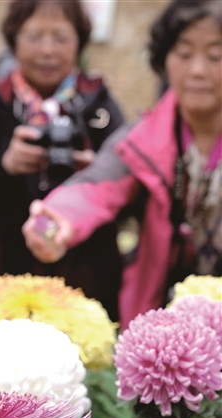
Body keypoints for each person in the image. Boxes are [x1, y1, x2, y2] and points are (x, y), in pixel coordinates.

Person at [23, 0, 222, 330]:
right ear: (164, 59)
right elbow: (97, 185)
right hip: (161, 320)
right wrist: (54, 219)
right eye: (184, 54)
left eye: (215, 56)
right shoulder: (145, 138)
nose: (197, 70)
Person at [0, 0, 124, 321]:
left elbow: (130, 195)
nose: (48, 50)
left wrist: (96, 177)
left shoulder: (101, 109)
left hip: (85, 280)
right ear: (14, 40)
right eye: (35, 37)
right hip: (2, 278)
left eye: (61, 37)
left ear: (79, 42)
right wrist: (5, 167)